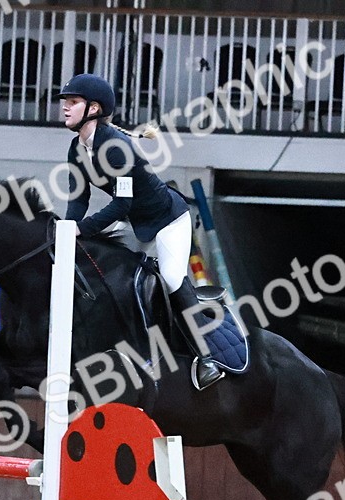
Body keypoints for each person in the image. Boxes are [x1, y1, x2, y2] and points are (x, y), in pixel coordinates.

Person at [56, 73, 224, 391]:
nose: (65, 108)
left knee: (172, 280)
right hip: (135, 223)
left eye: (73, 102)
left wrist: (82, 229)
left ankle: (207, 358)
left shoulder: (117, 147)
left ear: (93, 109)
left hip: (167, 221)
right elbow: (79, 198)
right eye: (66, 102)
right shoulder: (76, 149)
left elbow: (121, 204)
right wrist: (67, 231)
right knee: (102, 267)